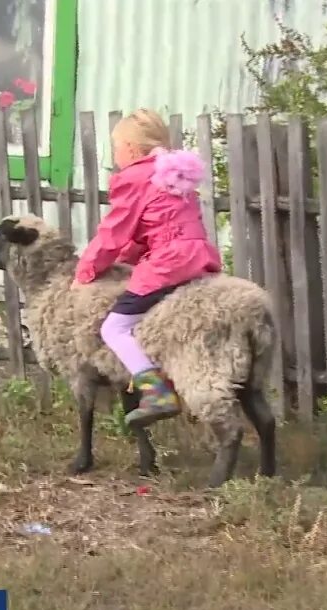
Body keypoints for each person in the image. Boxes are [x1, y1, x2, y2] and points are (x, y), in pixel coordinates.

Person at [72, 108, 222, 429]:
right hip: (197, 256)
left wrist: (85, 271)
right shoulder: (172, 175)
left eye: (117, 147)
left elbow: (113, 234)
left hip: (169, 263)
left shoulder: (133, 178)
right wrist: (126, 258)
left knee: (114, 328)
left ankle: (156, 392)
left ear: (133, 149)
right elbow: (151, 229)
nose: (115, 155)